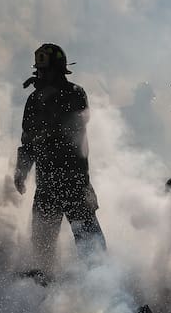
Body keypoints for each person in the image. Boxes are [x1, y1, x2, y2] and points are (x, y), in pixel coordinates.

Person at [14, 43, 106, 277]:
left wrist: (49, 98)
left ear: (59, 70)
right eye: (40, 71)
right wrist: (21, 171)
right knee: (42, 244)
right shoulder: (34, 99)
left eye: (46, 71)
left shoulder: (75, 93)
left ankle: (103, 285)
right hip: (47, 184)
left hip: (74, 181)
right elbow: (28, 141)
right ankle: (43, 288)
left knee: (89, 242)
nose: (41, 75)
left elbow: (73, 125)